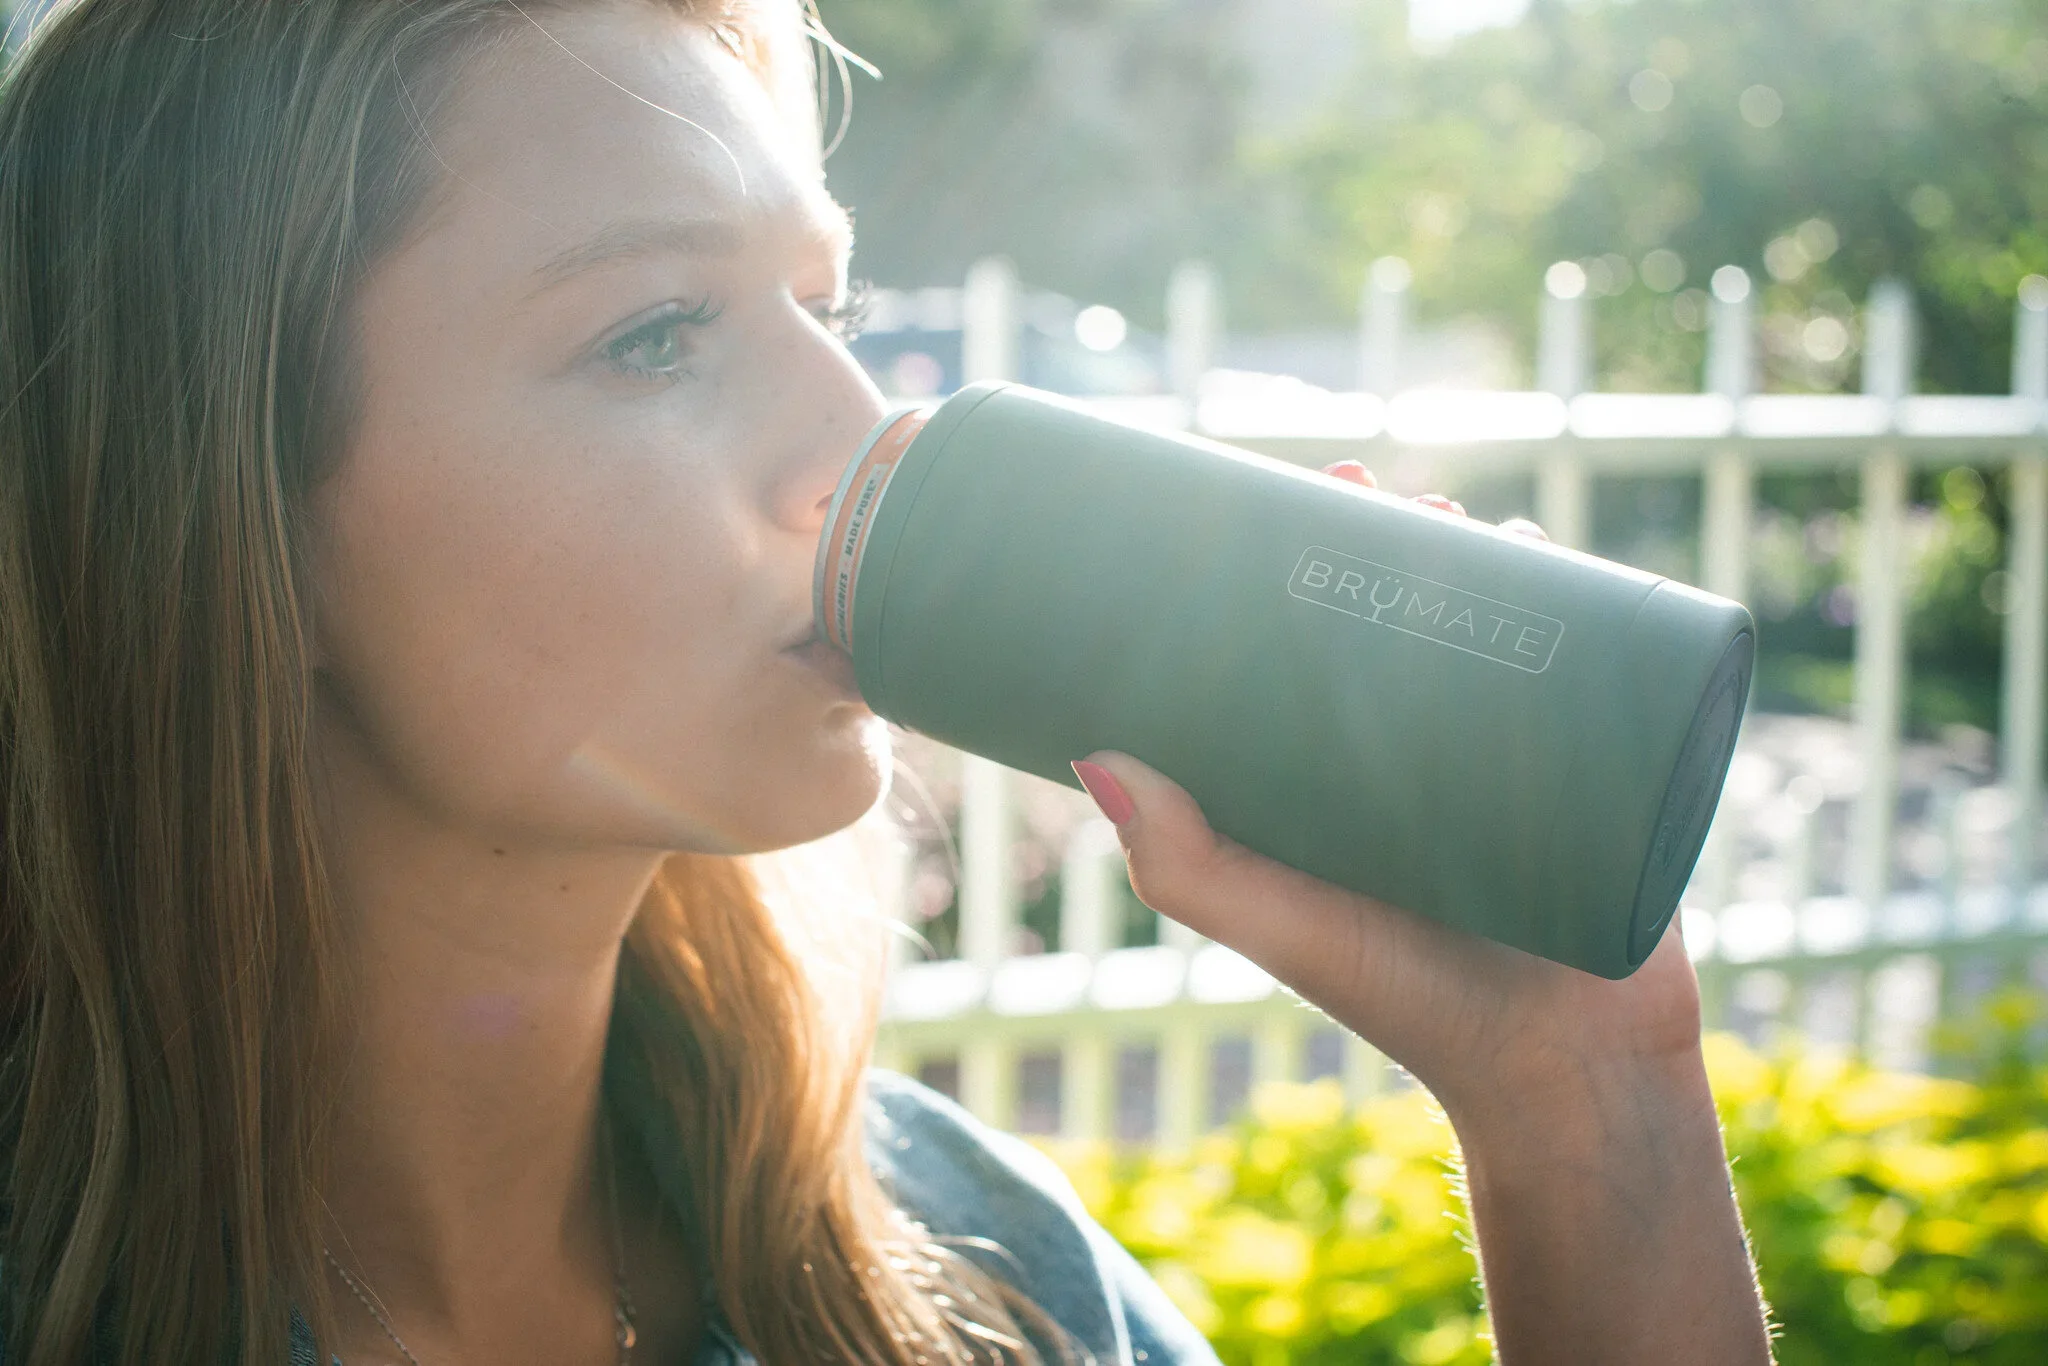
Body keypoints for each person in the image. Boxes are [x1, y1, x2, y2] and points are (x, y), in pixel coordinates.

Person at [0, 0, 1776, 1362]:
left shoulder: (976, 1271)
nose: (856, 441)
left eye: (825, 311)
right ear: (223, 513)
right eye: (652, 336)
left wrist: (1580, 1097)